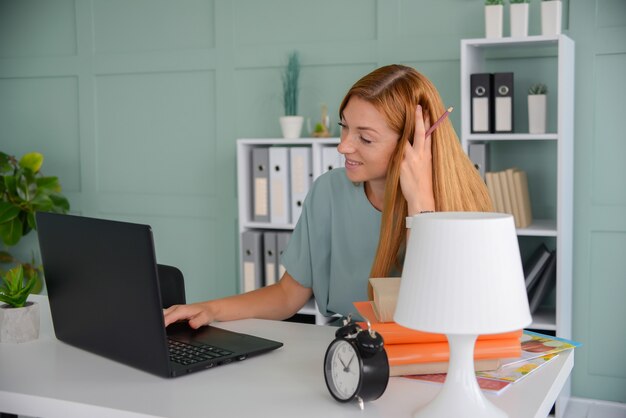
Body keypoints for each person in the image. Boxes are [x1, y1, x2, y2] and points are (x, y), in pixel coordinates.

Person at [164, 64, 493, 329]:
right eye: (344, 126)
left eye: (365, 138)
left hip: (427, 357)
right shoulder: (328, 191)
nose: (343, 146)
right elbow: (288, 296)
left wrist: (421, 205)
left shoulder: (461, 204)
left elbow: (440, 309)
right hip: (348, 353)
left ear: (412, 143)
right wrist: (209, 308)